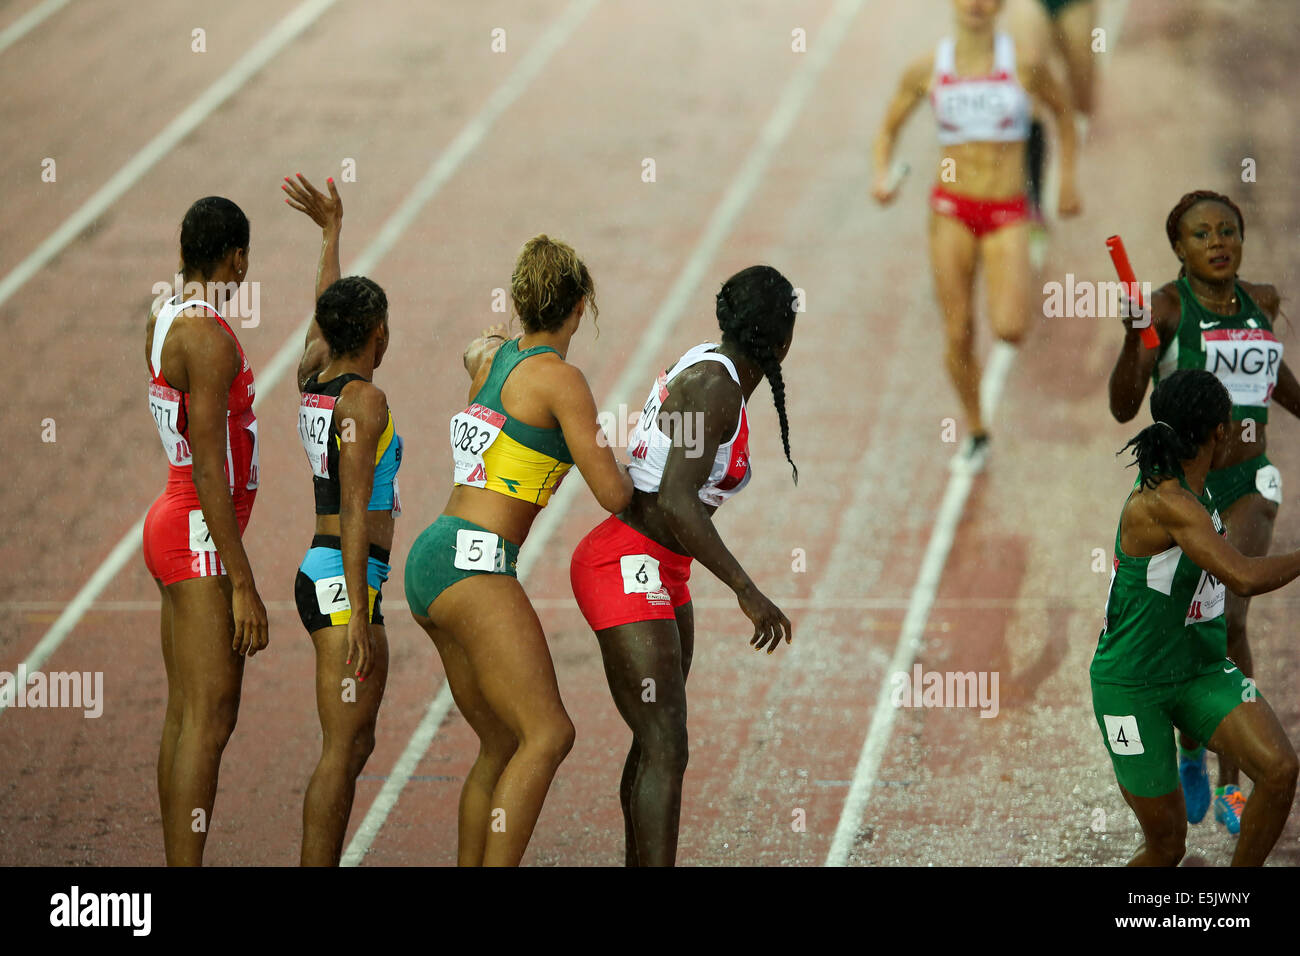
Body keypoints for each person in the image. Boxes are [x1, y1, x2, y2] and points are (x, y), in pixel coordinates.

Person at [404, 235, 632, 866]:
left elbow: (473, 347)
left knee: (502, 743)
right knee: (548, 733)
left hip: (432, 557)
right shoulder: (563, 381)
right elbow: (613, 493)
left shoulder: (494, 357)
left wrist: (498, 339)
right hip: (474, 565)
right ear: (580, 306)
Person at [569, 265, 797, 866]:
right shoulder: (717, 388)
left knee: (656, 745)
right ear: (783, 341)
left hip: (663, 568)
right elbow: (674, 498)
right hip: (626, 561)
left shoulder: (711, 366)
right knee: (667, 745)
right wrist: (747, 590)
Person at [1107, 190, 1300, 835]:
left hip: (1248, 480)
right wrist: (1138, 343)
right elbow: (1123, 406)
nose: (1217, 241)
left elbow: (1273, 379)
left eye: (1228, 230)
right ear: (1179, 250)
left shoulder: (1262, 302)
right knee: (1184, 617)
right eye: (1200, 234)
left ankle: (1231, 783)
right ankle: (1191, 743)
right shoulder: (1163, 306)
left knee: (1231, 604)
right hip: (1185, 493)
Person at [1092, 368, 1299, 866]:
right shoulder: (1166, 502)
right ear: (1220, 432)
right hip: (1133, 685)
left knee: (1278, 769)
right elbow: (1243, 577)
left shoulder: (1197, 488)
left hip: (1200, 671)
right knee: (1167, 845)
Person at [873, 0, 1081, 470]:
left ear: (1001, 5)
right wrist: (881, 176)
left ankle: (979, 417)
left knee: (1010, 328)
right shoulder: (927, 67)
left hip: (1007, 212)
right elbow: (887, 130)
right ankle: (976, 429)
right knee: (958, 331)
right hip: (951, 210)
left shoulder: (1024, 65)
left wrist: (1065, 182)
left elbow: (1065, 115)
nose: (976, 4)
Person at [142, 196, 268, 866]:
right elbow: (212, 466)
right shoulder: (208, 339)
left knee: (186, 713)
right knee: (212, 715)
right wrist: (242, 582)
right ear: (235, 257)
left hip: (172, 518)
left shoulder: (162, 319)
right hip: (198, 532)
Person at [283, 174, 401, 865]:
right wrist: (360, 610)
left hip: (327, 572)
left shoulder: (312, 370)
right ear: (378, 333)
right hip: (341, 578)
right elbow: (356, 510)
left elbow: (323, 316)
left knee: (356, 743)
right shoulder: (365, 402)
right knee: (342, 750)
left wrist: (331, 234)